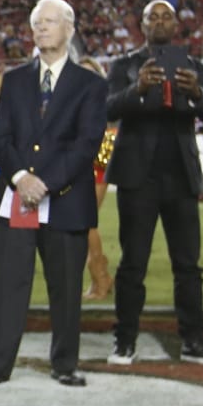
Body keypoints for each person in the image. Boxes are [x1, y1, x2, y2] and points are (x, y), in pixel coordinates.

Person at [0, 0, 107, 390]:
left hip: (66, 200)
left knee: (67, 289)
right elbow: (1, 138)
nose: (41, 29)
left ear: (69, 29)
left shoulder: (91, 85)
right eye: (37, 23)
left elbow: (86, 143)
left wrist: (46, 183)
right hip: (17, 199)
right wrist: (22, 177)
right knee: (8, 286)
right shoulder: (15, 79)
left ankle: (65, 364)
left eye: (50, 22)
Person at [104, 0, 203, 365]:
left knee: (188, 264)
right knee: (133, 263)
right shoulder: (124, 65)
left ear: (177, 26)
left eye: (166, 17)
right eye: (152, 17)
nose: (159, 22)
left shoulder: (194, 67)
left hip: (181, 175)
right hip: (137, 176)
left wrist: (196, 93)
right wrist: (138, 88)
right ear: (141, 25)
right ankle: (124, 341)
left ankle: (194, 340)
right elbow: (108, 109)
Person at [77, 57, 115, 301]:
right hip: (77, 161)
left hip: (98, 157)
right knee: (83, 222)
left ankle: (101, 279)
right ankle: (100, 279)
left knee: (86, 220)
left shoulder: (102, 102)